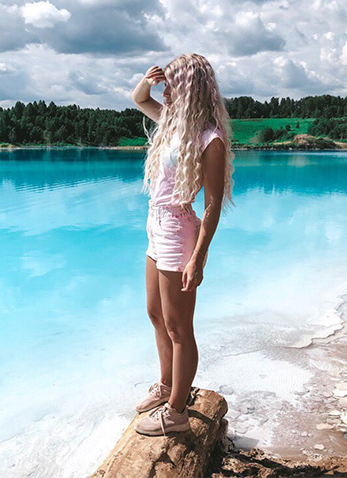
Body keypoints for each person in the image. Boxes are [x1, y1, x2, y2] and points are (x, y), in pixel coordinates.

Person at [130, 53, 236, 436]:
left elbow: (212, 205)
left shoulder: (210, 138)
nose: (164, 89)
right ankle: (165, 386)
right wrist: (147, 79)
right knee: (155, 314)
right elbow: (139, 99)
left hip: (179, 230)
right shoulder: (173, 123)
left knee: (179, 327)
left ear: (189, 86)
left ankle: (177, 413)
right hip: (155, 225)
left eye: (171, 82)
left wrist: (199, 256)